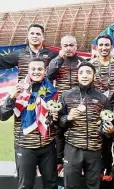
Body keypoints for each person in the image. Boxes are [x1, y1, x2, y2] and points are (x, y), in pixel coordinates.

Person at [0, 58, 58, 189]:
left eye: (40, 69)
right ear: (28, 71)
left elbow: (57, 121)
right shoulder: (17, 89)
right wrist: (11, 97)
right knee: (25, 187)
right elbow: (2, 115)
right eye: (33, 69)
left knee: (51, 185)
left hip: (47, 145)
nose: (36, 72)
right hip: (25, 146)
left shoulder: (52, 91)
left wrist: (56, 117)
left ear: (45, 71)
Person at [59, 62, 114, 189]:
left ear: (94, 76)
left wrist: (109, 131)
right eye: (81, 72)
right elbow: (59, 123)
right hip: (72, 149)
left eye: (88, 72)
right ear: (77, 76)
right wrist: (68, 117)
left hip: (94, 151)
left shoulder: (103, 98)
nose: (85, 75)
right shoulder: (66, 95)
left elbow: (105, 126)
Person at [46, 35, 86, 172]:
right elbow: (48, 76)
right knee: (58, 131)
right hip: (61, 102)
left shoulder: (82, 62)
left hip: (78, 102)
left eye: (71, 45)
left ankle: (78, 161)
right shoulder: (56, 61)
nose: (68, 48)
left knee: (77, 129)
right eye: (65, 45)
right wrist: (59, 59)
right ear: (61, 47)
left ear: (76, 46)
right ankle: (59, 161)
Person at [89, 34, 114, 181]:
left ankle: (113, 168)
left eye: (107, 45)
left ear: (111, 47)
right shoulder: (90, 64)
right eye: (101, 45)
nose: (104, 48)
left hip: (113, 106)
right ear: (97, 47)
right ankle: (101, 167)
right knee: (99, 138)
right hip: (96, 107)